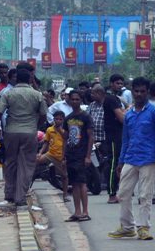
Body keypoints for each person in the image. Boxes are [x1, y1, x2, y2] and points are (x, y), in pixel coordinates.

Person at [109, 77, 155, 241]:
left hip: (149, 159)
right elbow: (126, 139)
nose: (139, 94)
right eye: (136, 91)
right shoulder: (128, 115)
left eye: (143, 91)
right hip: (130, 158)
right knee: (123, 193)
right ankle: (127, 227)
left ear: (148, 92)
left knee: (145, 195)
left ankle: (143, 228)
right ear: (132, 91)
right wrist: (121, 161)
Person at [0, 68, 48, 206]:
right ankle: (20, 197)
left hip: (11, 132)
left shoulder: (8, 93)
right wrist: (35, 125)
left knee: (10, 163)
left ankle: (9, 194)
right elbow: (44, 115)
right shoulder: (37, 95)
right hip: (29, 132)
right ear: (30, 79)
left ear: (16, 79)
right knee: (26, 165)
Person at [90, 84, 125, 203]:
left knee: (117, 163)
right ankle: (112, 193)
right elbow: (122, 118)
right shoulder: (112, 100)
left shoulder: (111, 99)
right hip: (114, 137)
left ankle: (118, 191)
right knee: (114, 164)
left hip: (113, 136)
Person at [63, 90, 94, 222]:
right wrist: (63, 155)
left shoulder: (86, 117)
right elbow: (65, 137)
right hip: (71, 154)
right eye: (72, 99)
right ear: (69, 100)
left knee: (82, 183)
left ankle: (85, 211)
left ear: (80, 100)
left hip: (82, 154)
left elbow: (91, 136)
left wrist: (88, 156)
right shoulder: (68, 118)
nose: (75, 101)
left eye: (77, 99)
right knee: (74, 183)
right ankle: (77, 211)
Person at [37, 110, 69, 202]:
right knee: (35, 161)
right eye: (56, 119)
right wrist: (40, 153)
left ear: (63, 120)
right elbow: (46, 143)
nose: (58, 121)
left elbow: (66, 140)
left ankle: (65, 195)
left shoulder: (65, 130)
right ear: (54, 119)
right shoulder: (49, 130)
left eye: (60, 119)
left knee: (64, 176)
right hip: (51, 154)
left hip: (60, 156)